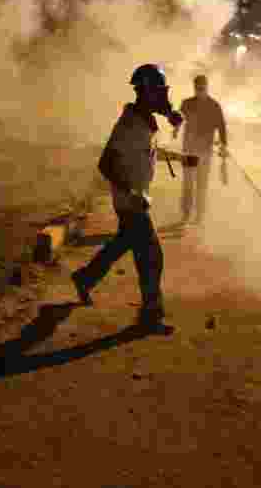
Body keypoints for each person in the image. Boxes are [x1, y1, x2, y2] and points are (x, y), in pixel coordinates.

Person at [70, 64, 184, 333]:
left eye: (163, 92)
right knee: (152, 255)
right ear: (144, 93)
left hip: (134, 200)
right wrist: (131, 192)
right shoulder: (128, 125)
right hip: (130, 203)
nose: (164, 98)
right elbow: (105, 163)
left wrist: (172, 117)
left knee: (122, 243)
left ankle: (85, 278)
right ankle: (150, 316)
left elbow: (149, 148)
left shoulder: (145, 120)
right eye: (158, 92)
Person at [178, 74, 228, 225]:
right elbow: (179, 119)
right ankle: (186, 213)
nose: (200, 91)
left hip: (205, 151)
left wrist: (223, 145)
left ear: (206, 87)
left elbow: (221, 126)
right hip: (189, 150)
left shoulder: (214, 105)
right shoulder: (187, 104)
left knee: (201, 184)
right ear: (194, 88)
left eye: (202, 88)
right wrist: (175, 128)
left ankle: (199, 214)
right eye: (198, 88)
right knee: (188, 183)